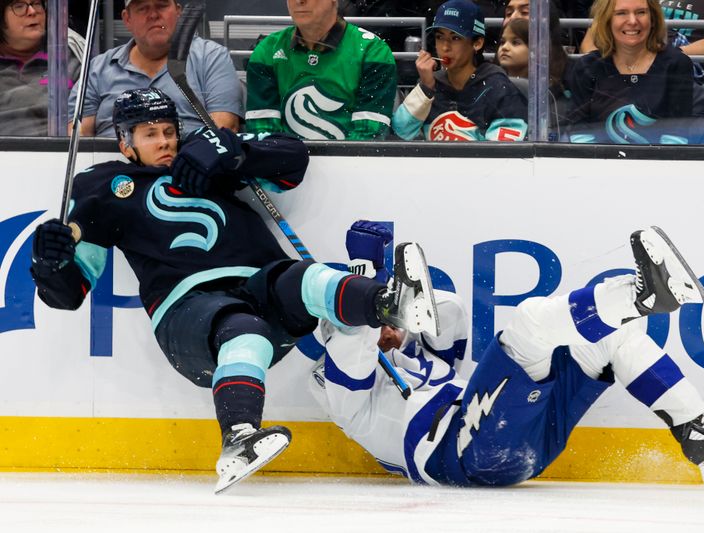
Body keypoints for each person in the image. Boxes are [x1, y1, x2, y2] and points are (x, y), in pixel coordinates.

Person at [30, 89, 440, 493]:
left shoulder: (202, 158)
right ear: (125, 142)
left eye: (169, 131)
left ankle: (391, 304)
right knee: (242, 328)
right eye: (150, 133)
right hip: (188, 311)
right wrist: (50, 263)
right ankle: (239, 439)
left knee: (307, 277)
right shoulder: (103, 186)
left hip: (261, 286)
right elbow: (66, 294)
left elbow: (294, 159)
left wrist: (236, 153)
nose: (164, 142)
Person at [310, 221, 704, 490]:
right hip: (464, 453)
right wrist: (366, 276)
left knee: (612, 340)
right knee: (530, 323)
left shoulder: (414, 358)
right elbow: (350, 347)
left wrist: (398, 321)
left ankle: (695, 428)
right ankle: (642, 295)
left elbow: (447, 312)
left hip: (516, 439)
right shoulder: (341, 396)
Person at [69, 0, 242, 137]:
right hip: (113, 174)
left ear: (178, 12)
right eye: (142, 8)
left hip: (190, 171)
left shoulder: (210, 57)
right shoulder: (96, 70)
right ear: (127, 19)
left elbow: (225, 130)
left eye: (162, 5)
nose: (153, 15)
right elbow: (77, 137)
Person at [245, 0, 397, 140]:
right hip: (286, 166)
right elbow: (263, 137)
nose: (299, 1)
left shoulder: (373, 52)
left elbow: (369, 138)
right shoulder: (267, 51)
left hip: (350, 167)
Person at [565, 0, 703, 144]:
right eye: (621, 13)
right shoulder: (587, 67)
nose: (632, 21)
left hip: (659, 162)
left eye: (641, 12)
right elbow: (579, 132)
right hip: (599, 162)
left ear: (653, 18)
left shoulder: (676, 64)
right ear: (607, 20)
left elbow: (677, 134)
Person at [392, 0, 528, 142]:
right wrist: (425, 88)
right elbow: (400, 134)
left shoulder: (497, 86)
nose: (445, 47)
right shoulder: (430, 84)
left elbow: (504, 155)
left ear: (478, 43)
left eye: (455, 38)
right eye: (439, 37)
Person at [581, 0, 704, 80]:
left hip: (685, 78)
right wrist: (600, 68)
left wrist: (661, 59)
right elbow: (591, 41)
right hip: (618, 70)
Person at [0, 0, 81, 136]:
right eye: (19, 7)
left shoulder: (72, 55)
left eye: (36, 3)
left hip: (61, 151)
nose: (32, 12)